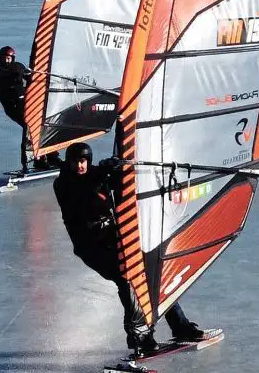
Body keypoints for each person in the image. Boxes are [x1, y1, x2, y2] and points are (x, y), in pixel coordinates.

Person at [52, 142, 207, 356]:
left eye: (83, 161)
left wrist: (118, 169)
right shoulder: (63, 184)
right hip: (91, 248)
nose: (80, 165)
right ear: (68, 163)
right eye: (75, 162)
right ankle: (139, 337)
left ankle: (179, 325)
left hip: (114, 239)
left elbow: (116, 183)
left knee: (153, 274)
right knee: (126, 279)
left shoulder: (96, 174)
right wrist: (104, 174)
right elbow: (83, 195)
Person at [0, 46, 58, 171]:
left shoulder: (18, 67)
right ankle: (31, 160)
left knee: (41, 127)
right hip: (12, 107)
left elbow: (30, 78)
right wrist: (19, 71)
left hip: (25, 103)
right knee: (30, 127)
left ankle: (50, 156)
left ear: (13, 59)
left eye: (9, 58)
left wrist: (33, 75)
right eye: (4, 58)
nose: (6, 61)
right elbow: (6, 76)